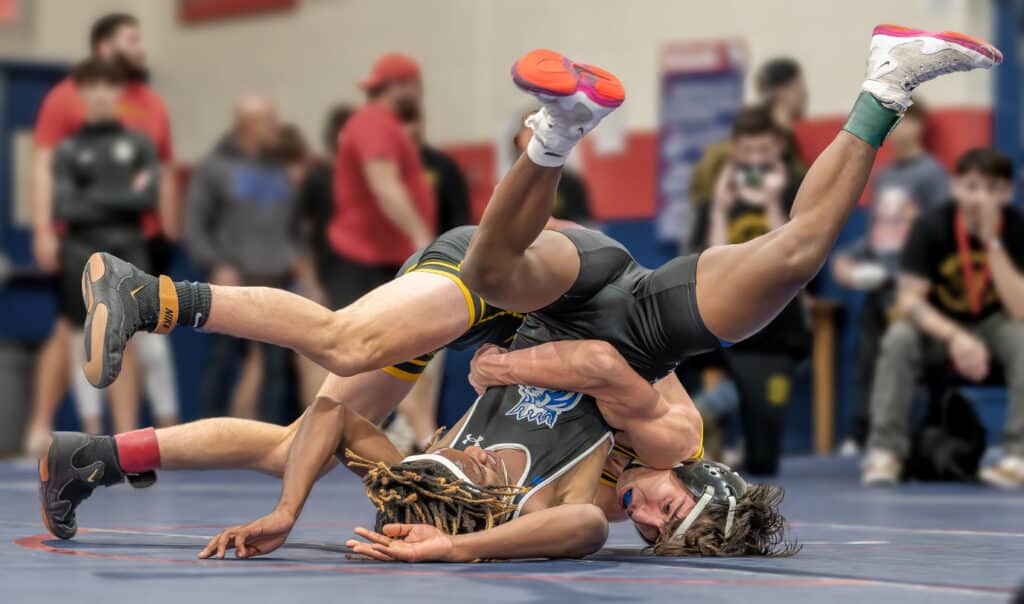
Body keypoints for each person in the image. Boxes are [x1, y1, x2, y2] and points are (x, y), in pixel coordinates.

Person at [61, 27, 999, 558]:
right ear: (698, 482)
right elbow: (595, 364)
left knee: (793, 260)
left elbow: (337, 427)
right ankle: (153, 294)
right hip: (604, 304)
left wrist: (294, 511)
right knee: (355, 339)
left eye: (657, 538)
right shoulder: (672, 439)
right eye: (669, 514)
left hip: (512, 314)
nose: (648, 519)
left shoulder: (553, 496)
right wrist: (502, 365)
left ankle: (885, 81)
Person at [24, 12, 178, 453]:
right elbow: (45, 167)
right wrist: (43, 229)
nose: (141, 47)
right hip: (79, 239)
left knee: (134, 335)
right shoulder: (65, 98)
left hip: (138, 238)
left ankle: (135, 436)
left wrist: (169, 227)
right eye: (132, 38)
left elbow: (160, 175)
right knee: (70, 331)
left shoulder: (150, 103)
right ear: (106, 46)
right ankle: (42, 425)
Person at [862, 148, 1024, 488]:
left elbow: (1019, 308)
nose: (980, 197)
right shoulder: (930, 226)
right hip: (940, 326)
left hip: (996, 324)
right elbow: (908, 300)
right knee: (899, 337)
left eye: (992, 188)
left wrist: (992, 240)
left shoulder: (1017, 228)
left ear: (1008, 192)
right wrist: (957, 338)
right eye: (971, 186)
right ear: (954, 187)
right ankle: (886, 451)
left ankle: (1017, 455)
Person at [691, 106, 810, 475]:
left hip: (775, 333)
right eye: (747, 151)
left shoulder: (798, 193)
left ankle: (718, 406)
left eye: (763, 151)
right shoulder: (717, 198)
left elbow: (793, 258)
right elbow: (712, 263)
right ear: (735, 151)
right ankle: (694, 416)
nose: (755, 160)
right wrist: (719, 213)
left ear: (777, 147)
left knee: (763, 462)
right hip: (725, 322)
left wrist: (773, 204)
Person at [49, 58, 160, 436]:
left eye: (107, 85)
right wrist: (120, 195)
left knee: (128, 342)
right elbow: (64, 206)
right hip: (80, 252)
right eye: (91, 86)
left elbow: (146, 199)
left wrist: (92, 196)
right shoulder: (67, 150)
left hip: (129, 250)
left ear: (118, 92)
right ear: (80, 93)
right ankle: (92, 435)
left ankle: (126, 437)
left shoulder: (138, 144)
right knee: (86, 340)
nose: (99, 94)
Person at [833, 102, 949, 452]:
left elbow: (939, 232)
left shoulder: (932, 175)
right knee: (867, 358)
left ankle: (911, 434)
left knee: (907, 360)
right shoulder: (884, 177)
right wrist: (849, 261)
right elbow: (876, 235)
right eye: (893, 124)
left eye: (905, 122)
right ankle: (861, 431)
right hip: (877, 286)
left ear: (921, 126)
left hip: (911, 287)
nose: (898, 131)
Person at [183, 95, 299, 423]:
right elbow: (194, 225)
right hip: (230, 281)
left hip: (276, 278)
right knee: (221, 362)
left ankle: (273, 436)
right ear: (246, 126)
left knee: (276, 365)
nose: (277, 128)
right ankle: (209, 432)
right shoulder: (213, 168)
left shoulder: (278, 169)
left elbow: (291, 225)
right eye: (269, 121)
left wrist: (295, 259)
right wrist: (216, 263)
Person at [324, 52, 436, 311]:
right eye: (417, 86)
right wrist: (421, 239)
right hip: (365, 258)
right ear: (402, 85)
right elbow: (385, 187)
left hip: (381, 256)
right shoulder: (374, 123)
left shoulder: (383, 124)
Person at [688, 57, 808, 224]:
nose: (804, 95)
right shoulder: (767, 138)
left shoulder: (785, 139)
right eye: (800, 88)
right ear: (784, 91)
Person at [513, 114, 592, 223]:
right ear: (519, 140)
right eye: (530, 132)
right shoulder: (512, 183)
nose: (535, 138)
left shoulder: (569, 180)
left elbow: (583, 221)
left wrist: (557, 228)